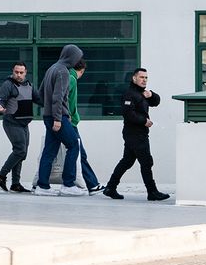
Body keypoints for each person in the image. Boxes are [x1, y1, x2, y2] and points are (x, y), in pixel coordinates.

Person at [104, 67, 170, 201]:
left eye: (146, 78)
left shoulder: (142, 94)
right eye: (141, 77)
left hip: (138, 133)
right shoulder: (129, 94)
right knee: (146, 162)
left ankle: (110, 188)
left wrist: (151, 94)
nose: (144, 80)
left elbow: (156, 102)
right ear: (134, 78)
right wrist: (144, 121)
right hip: (134, 133)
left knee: (127, 161)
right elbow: (128, 114)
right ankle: (152, 192)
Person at [35, 44, 86, 197]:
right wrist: (58, 118)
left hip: (49, 116)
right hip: (58, 118)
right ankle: (68, 184)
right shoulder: (63, 71)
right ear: (72, 57)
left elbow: (40, 94)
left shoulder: (52, 68)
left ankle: (42, 186)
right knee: (73, 145)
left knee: (49, 151)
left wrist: (49, 111)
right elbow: (58, 97)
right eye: (77, 56)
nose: (79, 59)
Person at [0, 62, 43, 193]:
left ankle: (15, 184)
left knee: (21, 153)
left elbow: (39, 100)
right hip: (11, 122)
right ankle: (1, 175)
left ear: (26, 73)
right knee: (20, 150)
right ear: (13, 71)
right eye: (16, 72)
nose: (18, 75)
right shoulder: (8, 84)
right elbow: (0, 100)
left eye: (21, 72)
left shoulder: (29, 85)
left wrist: (53, 104)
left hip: (24, 124)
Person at [69, 58, 106, 195]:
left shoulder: (67, 76)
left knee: (51, 151)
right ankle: (91, 184)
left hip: (66, 121)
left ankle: (40, 183)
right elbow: (66, 100)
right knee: (79, 153)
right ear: (82, 71)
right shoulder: (71, 79)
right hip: (69, 122)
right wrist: (72, 116)